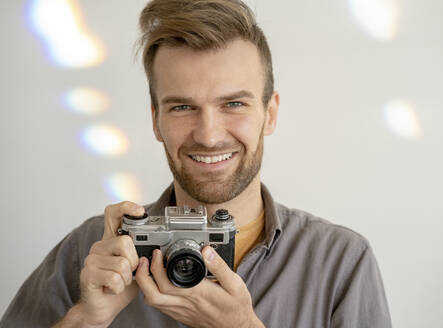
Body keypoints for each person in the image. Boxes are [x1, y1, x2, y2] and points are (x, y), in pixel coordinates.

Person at [0, 0, 392, 327]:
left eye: (233, 104)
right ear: (156, 120)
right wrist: (86, 318)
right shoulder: (91, 251)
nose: (208, 134)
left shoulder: (340, 261)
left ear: (269, 114)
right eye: (183, 107)